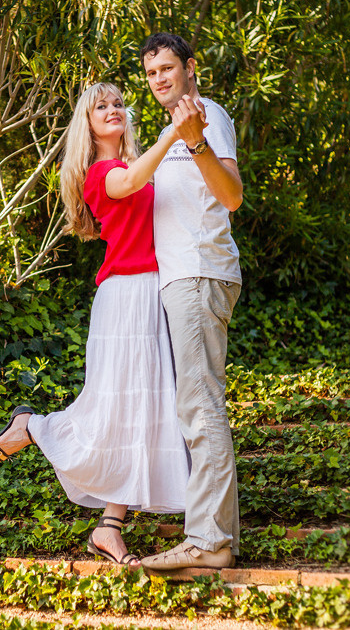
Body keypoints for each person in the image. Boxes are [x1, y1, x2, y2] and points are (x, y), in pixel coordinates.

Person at [0, 82, 190, 567]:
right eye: (102, 106)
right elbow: (129, 183)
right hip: (125, 297)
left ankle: (109, 528)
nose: (113, 109)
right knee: (110, 411)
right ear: (89, 123)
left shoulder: (135, 164)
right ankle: (33, 427)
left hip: (151, 293)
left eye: (118, 103)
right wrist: (173, 134)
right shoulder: (101, 173)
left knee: (140, 416)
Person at [136, 33, 244, 571]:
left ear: (190, 67)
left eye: (167, 68)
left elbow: (232, 196)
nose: (160, 79)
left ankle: (210, 540)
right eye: (151, 72)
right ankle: (216, 536)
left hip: (200, 273)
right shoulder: (168, 133)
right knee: (196, 402)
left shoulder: (208, 116)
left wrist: (196, 141)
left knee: (200, 405)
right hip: (180, 278)